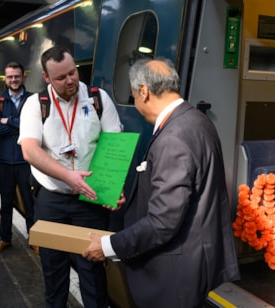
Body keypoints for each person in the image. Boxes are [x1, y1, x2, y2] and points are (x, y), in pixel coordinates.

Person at [82, 58, 241, 307]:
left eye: (134, 95)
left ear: (144, 91)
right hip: (195, 260)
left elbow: (163, 221)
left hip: (175, 274)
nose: (135, 103)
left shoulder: (173, 137)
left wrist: (108, 245)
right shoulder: (197, 120)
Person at [19, 46, 123, 307]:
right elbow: (29, 150)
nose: (70, 81)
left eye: (73, 73)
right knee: (54, 273)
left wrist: (113, 186)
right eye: (61, 78)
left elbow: (114, 147)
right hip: (51, 200)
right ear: (46, 78)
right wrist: (69, 177)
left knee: (93, 272)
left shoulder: (99, 99)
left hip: (90, 200)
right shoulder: (36, 104)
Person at [0, 62, 36, 255]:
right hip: (4, 163)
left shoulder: (33, 99)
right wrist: (21, 125)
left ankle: (34, 239)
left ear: (23, 76)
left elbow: (37, 125)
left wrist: (8, 121)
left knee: (30, 203)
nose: (13, 80)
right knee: (6, 203)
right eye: (10, 77)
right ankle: (4, 238)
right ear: (5, 79)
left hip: (27, 162)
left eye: (17, 76)